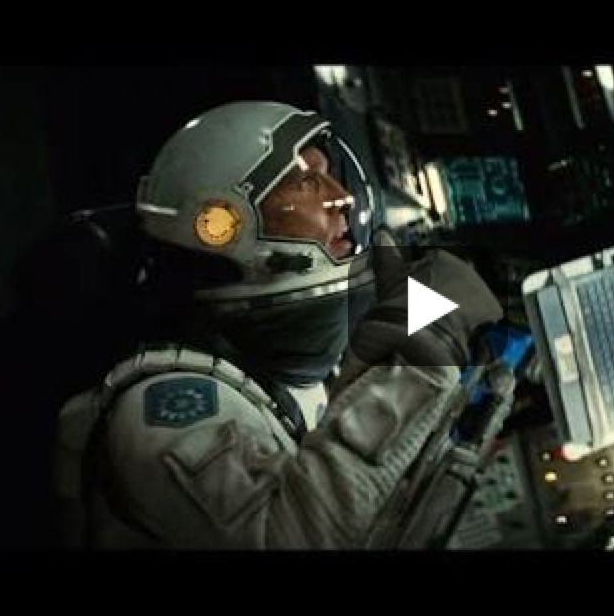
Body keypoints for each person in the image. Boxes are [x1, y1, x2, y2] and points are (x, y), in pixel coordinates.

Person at [53, 100, 503, 548]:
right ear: (220, 224)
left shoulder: (291, 379)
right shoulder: (159, 411)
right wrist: (422, 359)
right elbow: (292, 536)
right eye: (306, 181)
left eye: (329, 176)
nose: (342, 197)